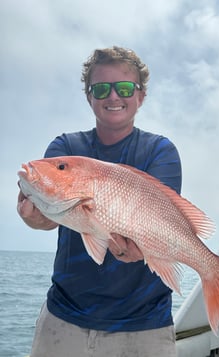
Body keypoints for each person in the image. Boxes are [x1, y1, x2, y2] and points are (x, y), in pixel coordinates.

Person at [17, 46, 182, 357]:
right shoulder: (65, 145)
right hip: (64, 318)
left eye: (124, 88)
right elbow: (50, 215)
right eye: (102, 88)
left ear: (141, 96)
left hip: (144, 325)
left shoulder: (161, 151)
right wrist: (33, 216)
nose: (113, 97)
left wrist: (143, 249)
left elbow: (164, 219)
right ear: (89, 96)